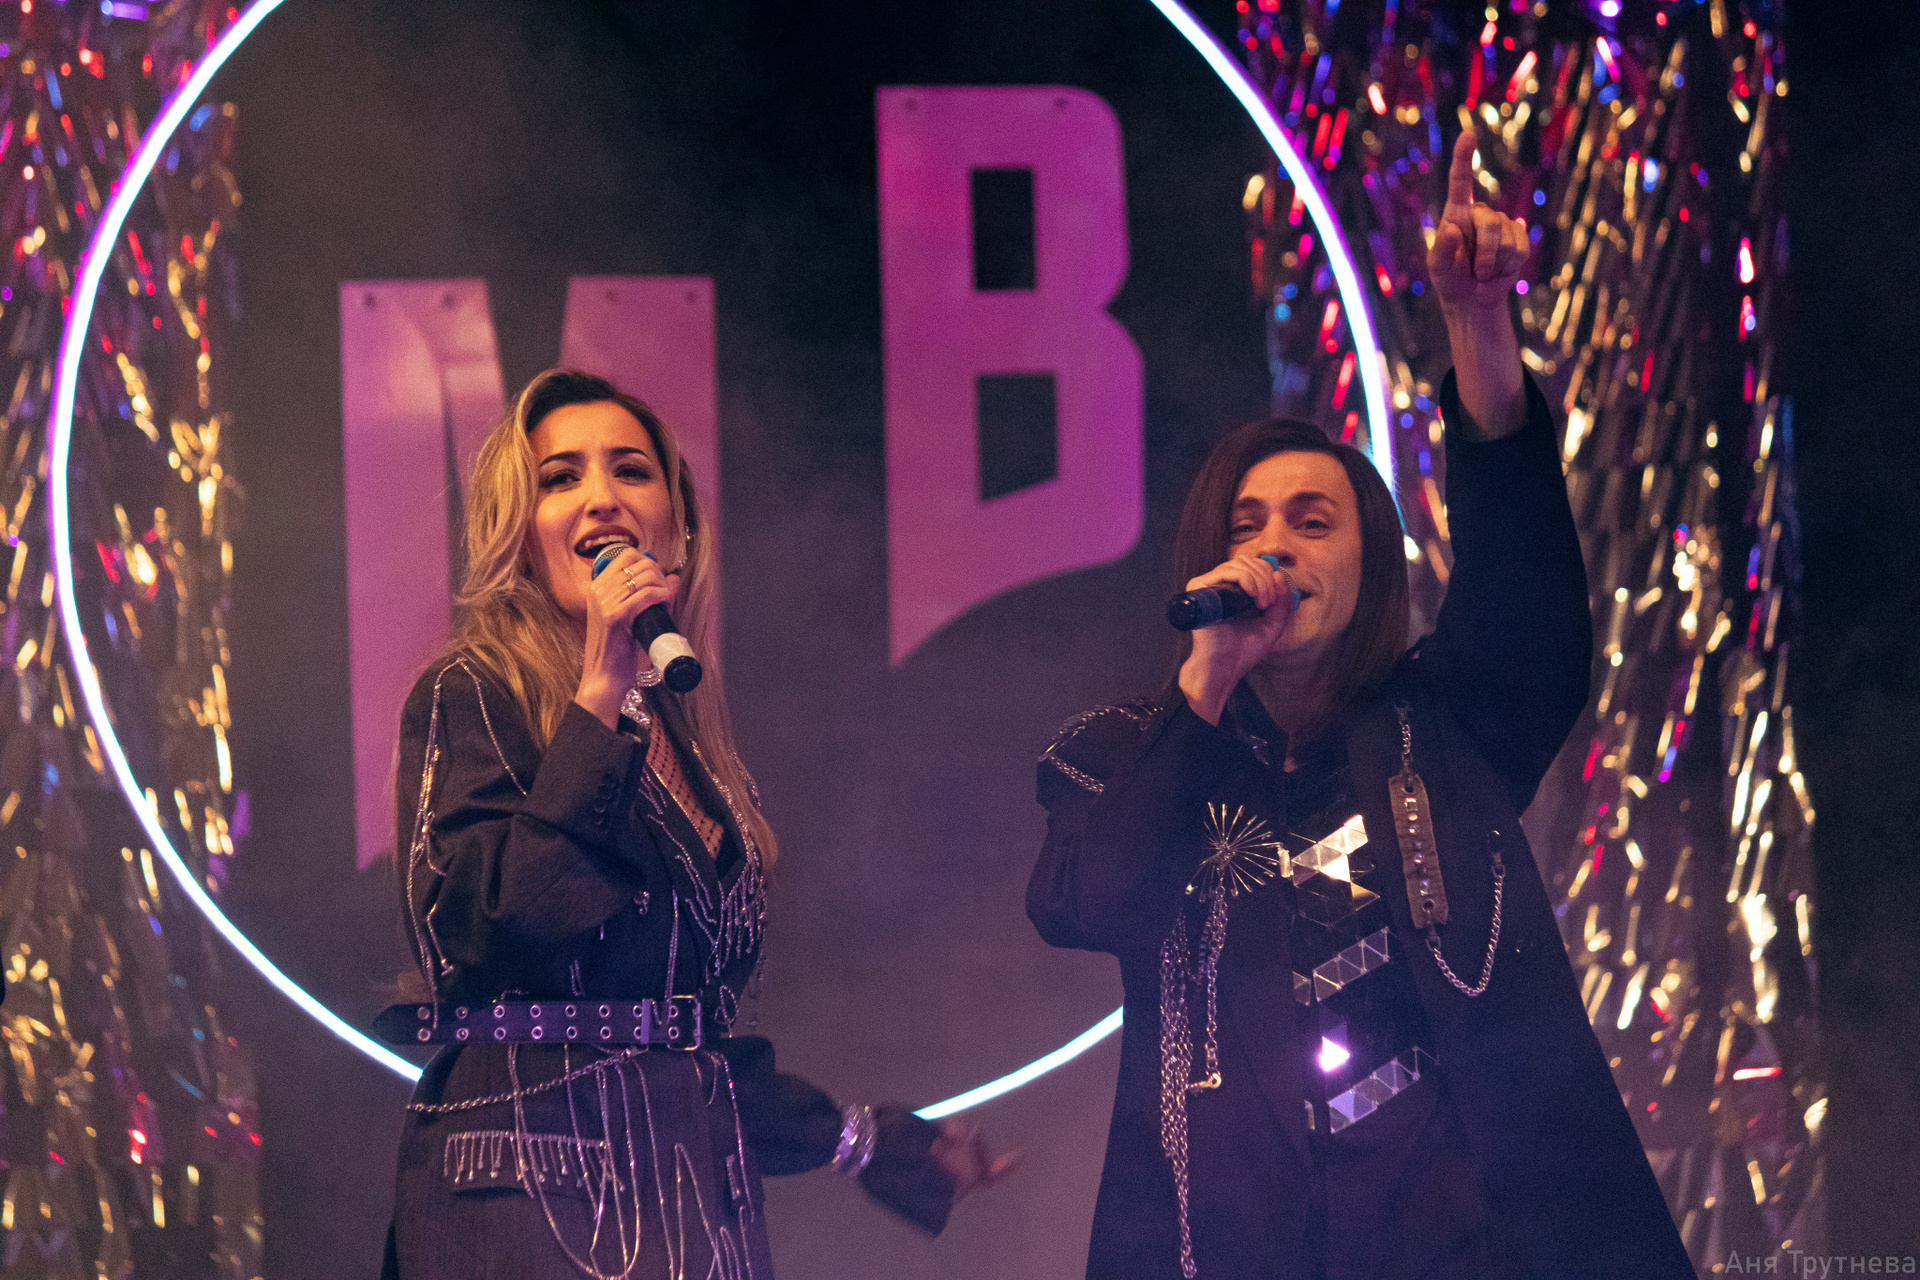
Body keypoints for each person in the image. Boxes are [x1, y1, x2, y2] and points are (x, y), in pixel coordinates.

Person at [1027, 130, 1692, 1280]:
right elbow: (1087, 901)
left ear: (1368, 564)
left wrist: (1478, 329)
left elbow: (1529, 600)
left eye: (1313, 521)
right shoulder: (1125, 751)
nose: (1277, 544)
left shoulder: (1448, 721)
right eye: (1248, 524)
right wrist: (1208, 678)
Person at [380, 369, 1013, 1279]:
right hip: (533, 1193)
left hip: (690, 1206)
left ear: (675, 530)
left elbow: (681, 1038)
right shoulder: (474, 692)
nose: (601, 496)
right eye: (560, 478)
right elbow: (477, 933)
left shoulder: (679, 729)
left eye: (630, 470)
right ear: (517, 532)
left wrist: (874, 1145)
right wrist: (599, 688)